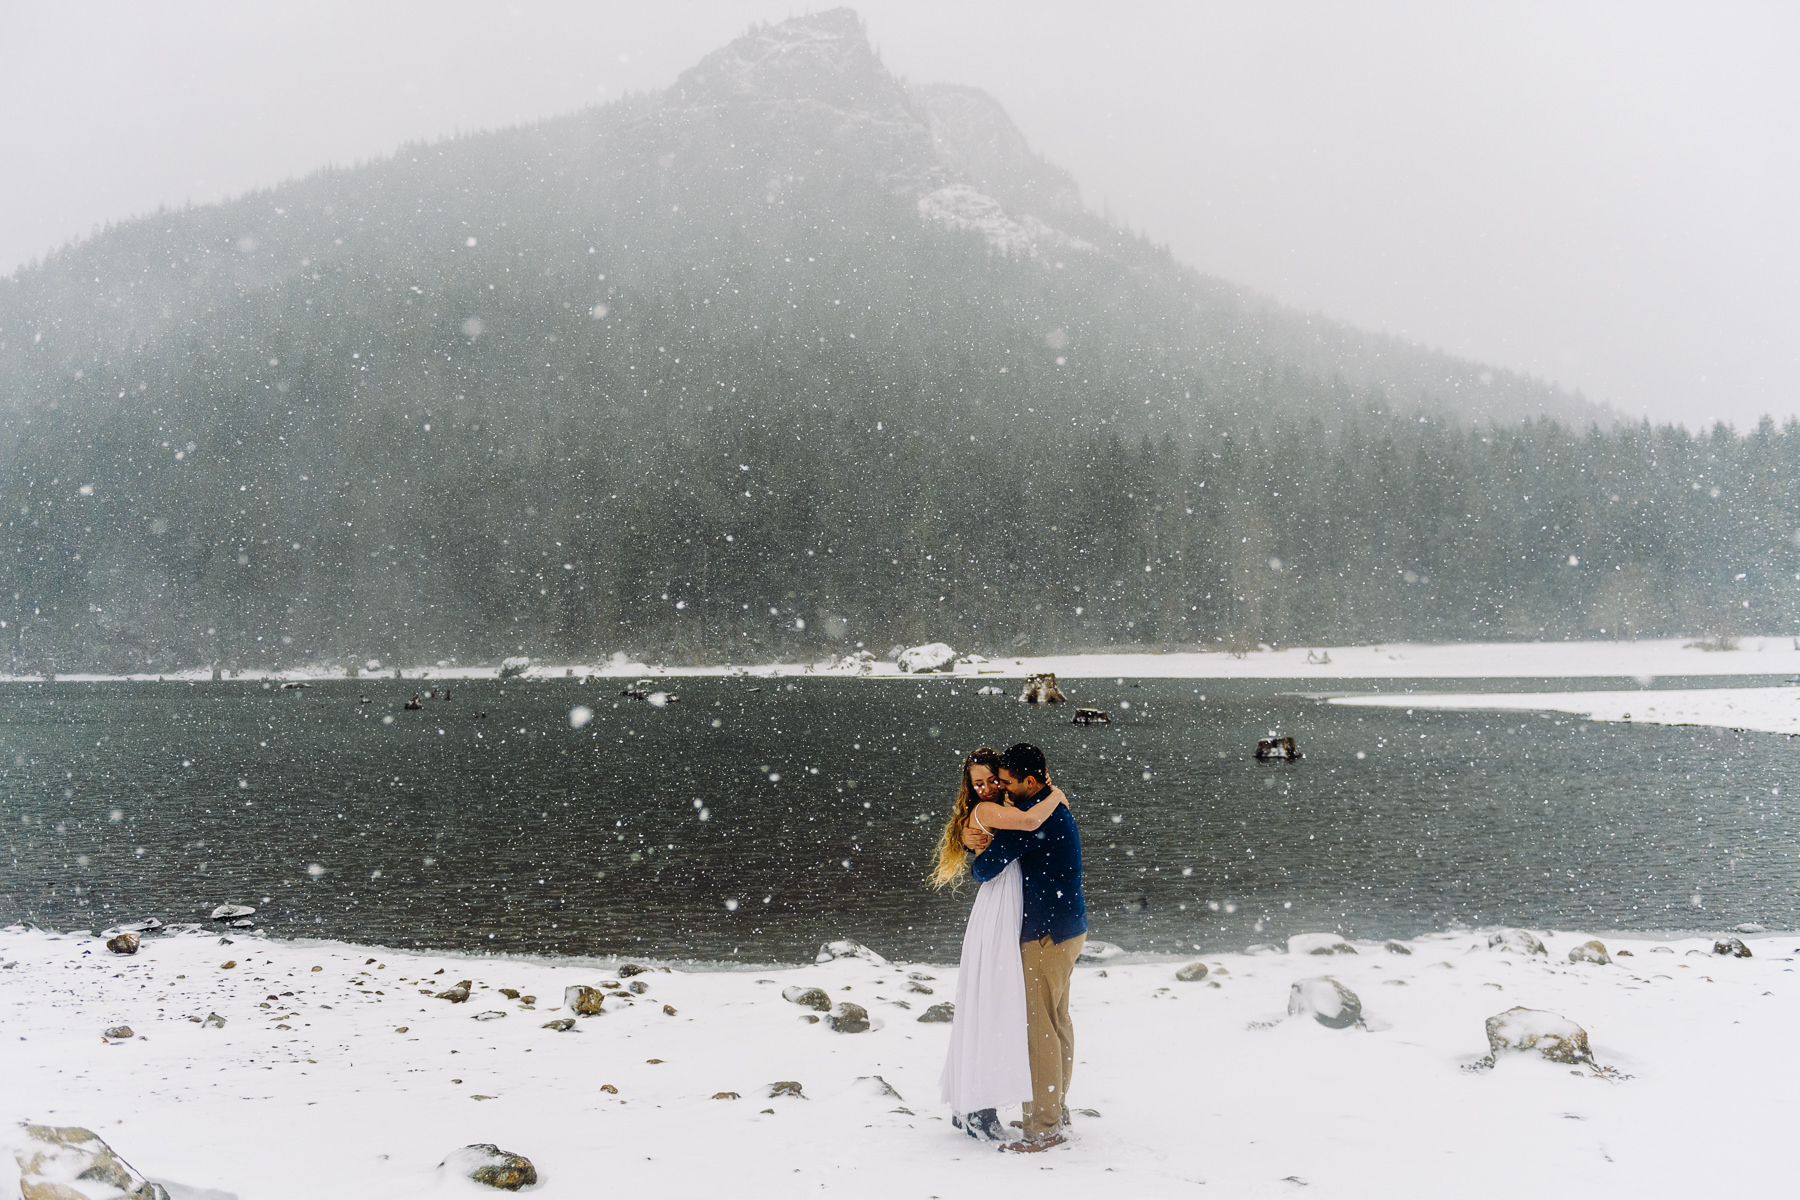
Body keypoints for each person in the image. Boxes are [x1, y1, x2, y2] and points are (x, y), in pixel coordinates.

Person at [930, 746, 1069, 1143]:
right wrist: (1055, 794)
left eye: (994, 779)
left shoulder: (998, 808)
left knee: (991, 1000)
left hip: (1008, 904)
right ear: (969, 787)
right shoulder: (993, 811)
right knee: (992, 999)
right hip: (999, 908)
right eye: (978, 783)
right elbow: (1027, 822)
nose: (989, 787)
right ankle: (977, 1103)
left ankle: (972, 1101)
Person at [966, 742, 1086, 1152]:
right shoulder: (1050, 808)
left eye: (1008, 781)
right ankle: (1055, 1110)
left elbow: (984, 869)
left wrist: (977, 846)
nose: (1000, 786)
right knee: (1058, 1022)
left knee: (1039, 1030)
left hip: (1045, 935)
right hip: (1070, 928)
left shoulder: (1029, 823)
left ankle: (1043, 1127)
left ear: (1030, 781)